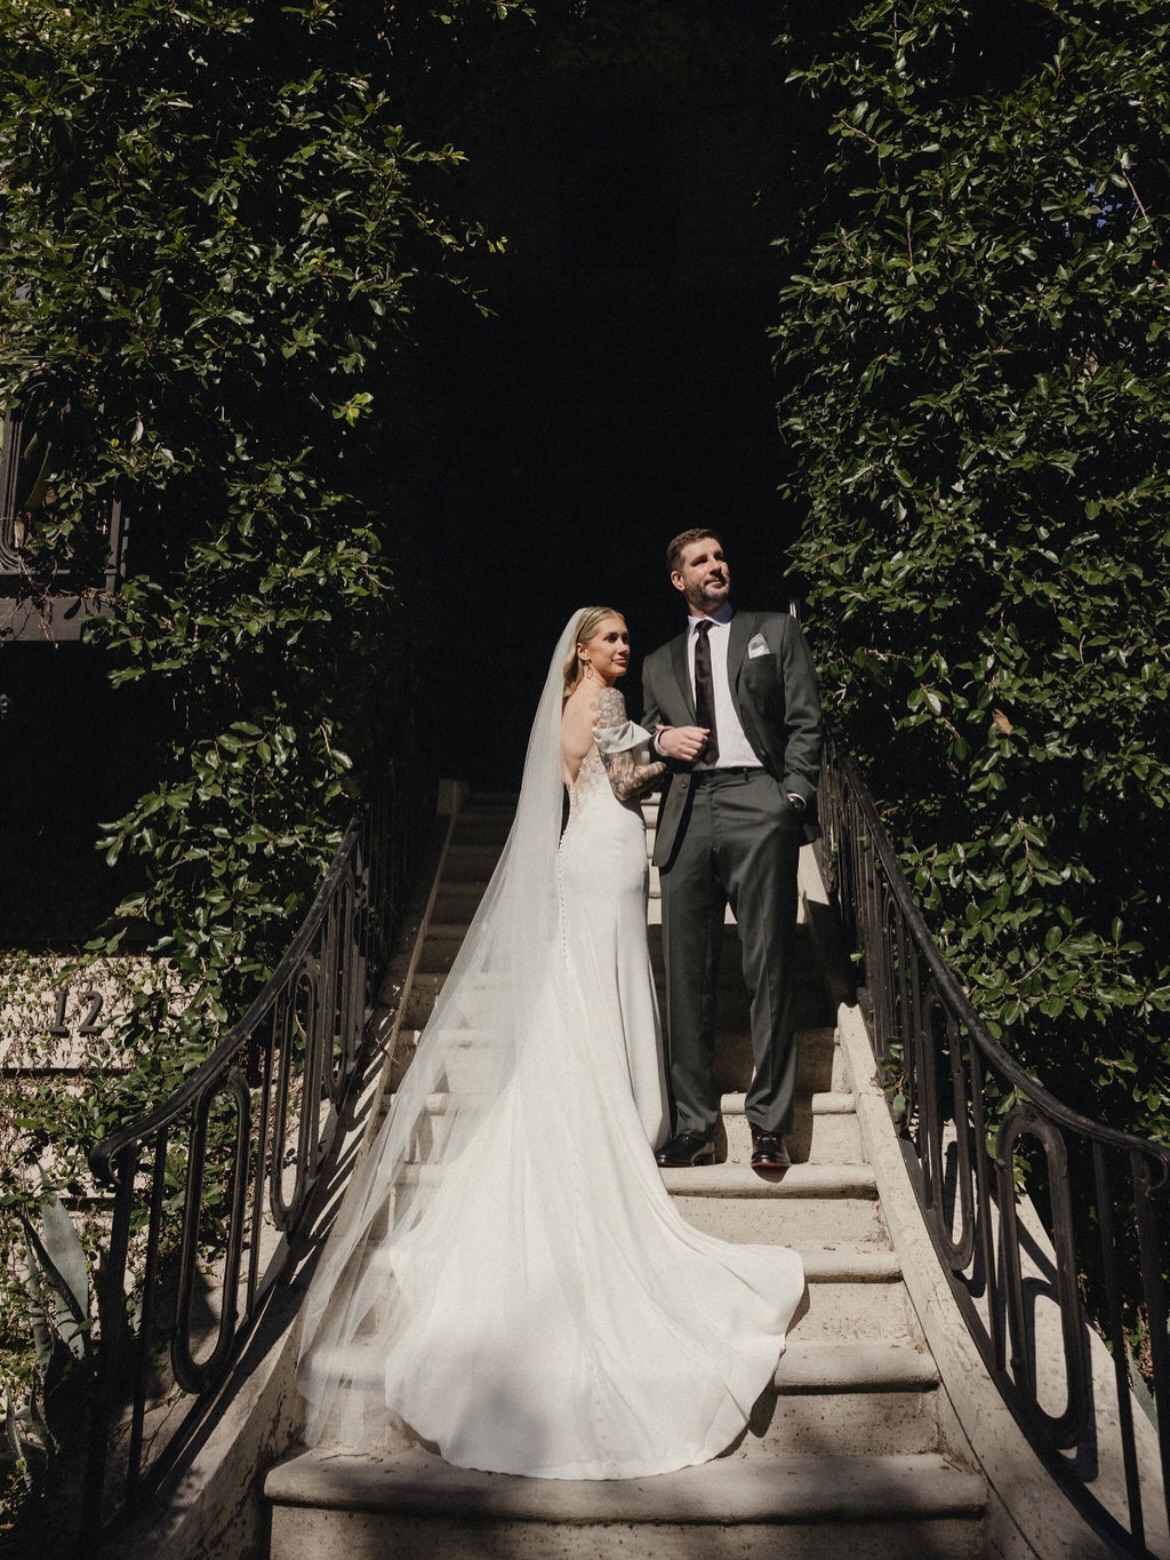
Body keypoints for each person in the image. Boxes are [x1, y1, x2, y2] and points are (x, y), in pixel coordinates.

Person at [297, 607, 804, 1480]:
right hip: (606, 851)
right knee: (597, 985)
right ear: (583, 649)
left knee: (581, 991)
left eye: (620, 641)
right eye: (611, 640)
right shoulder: (601, 704)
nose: (621, 650)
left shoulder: (572, 702)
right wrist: (671, 747)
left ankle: (598, 1103)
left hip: (586, 848)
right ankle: (608, 1114)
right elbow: (626, 776)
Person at [642, 532, 823, 1172]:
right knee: (686, 975)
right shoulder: (658, 662)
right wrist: (662, 740)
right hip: (687, 814)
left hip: (757, 801)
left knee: (768, 965)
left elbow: (805, 719)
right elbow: (641, 745)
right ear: (677, 580)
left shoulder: (772, 631)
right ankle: (693, 1128)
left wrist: (792, 798)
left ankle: (769, 1126)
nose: (717, 566)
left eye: (721, 556)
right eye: (700, 561)